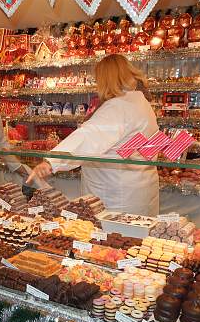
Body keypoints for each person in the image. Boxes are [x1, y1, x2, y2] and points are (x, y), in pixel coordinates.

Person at [27, 54, 159, 216]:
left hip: (115, 194)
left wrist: (52, 161)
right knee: (136, 237)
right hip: (141, 190)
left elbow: (89, 137)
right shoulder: (141, 102)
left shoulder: (118, 106)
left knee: (113, 237)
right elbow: (146, 147)